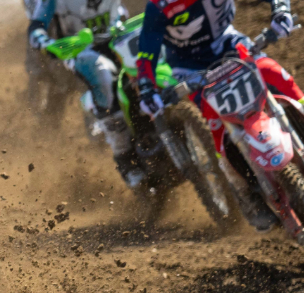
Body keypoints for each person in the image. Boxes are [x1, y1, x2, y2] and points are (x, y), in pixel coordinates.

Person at [134, 0, 303, 231]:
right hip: (190, 68)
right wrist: (146, 88)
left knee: (276, 75)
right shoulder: (159, 5)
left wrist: (281, 9)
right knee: (216, 120)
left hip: (230, 43)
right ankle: (245, 193)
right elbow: (147, 49)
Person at [26, 0, 133, 186]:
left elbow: (123, 11)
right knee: (101, 76)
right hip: (79, 50)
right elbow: (36, 26)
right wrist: (44, 42)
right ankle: (124, 156)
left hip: (118, 38)